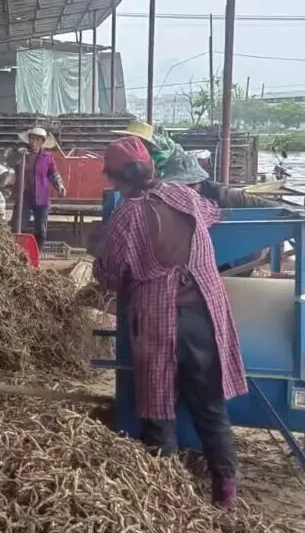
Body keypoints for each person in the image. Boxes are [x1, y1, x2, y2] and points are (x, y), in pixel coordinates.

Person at [92, 136, 247, 507]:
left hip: (159, 321)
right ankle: (225, 495)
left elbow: (110, 272)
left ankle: (165, 504)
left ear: (116, 178)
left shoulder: (125, 217)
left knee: (159, 410)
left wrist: (103, 265)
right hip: (206, 316)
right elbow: (213, 212)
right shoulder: (185, 196)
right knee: (211, 407)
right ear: (150, 168)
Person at [162, 151, 279, 209]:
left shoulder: (220, 193)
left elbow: (257, 203)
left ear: (199, 181)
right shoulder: (163, 199)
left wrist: (282, 210)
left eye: (191, 185)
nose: (186, 191)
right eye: (179, 186)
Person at [12, 127, 66, 247]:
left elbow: (53, 173)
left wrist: (60, 185)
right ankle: (15, 250)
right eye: (32, 139)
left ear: (42, 142)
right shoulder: (21, 154)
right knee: (17, 226)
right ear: (29, 140)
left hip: (41, 197)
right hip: (24, 196)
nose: (34, 142)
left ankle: (37, 251)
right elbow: (11, 165)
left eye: (37, 140)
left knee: (41, 229)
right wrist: (18, 156)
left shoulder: (47, 157)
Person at [111, 120, 186, 178]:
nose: (129, 142)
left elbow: (158, 179)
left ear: (144, 141)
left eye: (133, 140)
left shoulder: (159, 156)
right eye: (127, 137)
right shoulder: (130, 152)